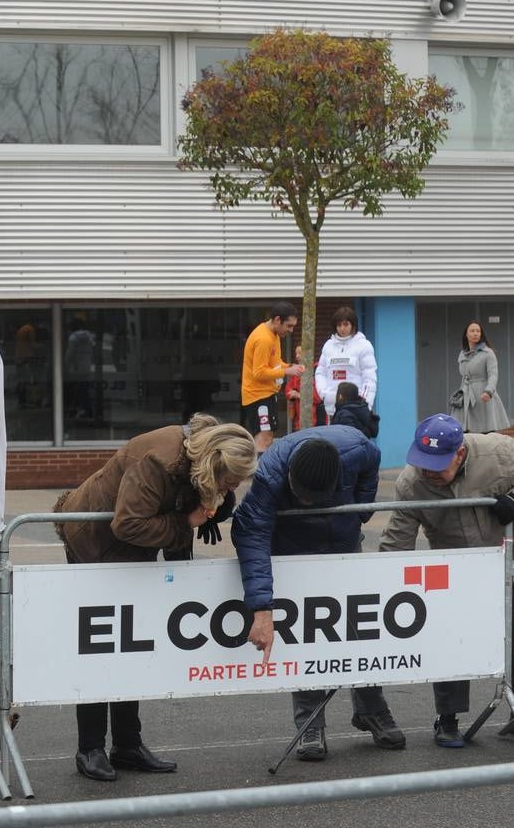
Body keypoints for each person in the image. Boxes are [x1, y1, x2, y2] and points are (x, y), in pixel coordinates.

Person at [55, 414, 257, 782]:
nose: (235, 486)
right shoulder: (157, 462)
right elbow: (128, 523)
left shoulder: (203, 452)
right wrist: (186, 524)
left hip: (133, 548)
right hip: (94, 543)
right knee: (101, 647)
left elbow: (186, 503)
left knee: (131, 645)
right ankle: (90, 748)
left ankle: (128, 744)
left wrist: (217, 504)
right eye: (229, 480)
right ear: (213, 464)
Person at [231, 427, 406, 761]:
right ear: (291, 478)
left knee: (361, 630)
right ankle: (310, 723)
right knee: (309, 635)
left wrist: (360, 510)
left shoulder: (357, 449)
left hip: (343, 546)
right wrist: (261, 608)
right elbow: (252, 536)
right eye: (302, 496)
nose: (308, 502)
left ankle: (372, 708)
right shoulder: (270, 475)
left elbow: (373, 465)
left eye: (315, 497)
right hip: (295, 550)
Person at [380, 412, 514, 747]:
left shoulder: (499, 453)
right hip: (453, 568)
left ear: (459, 453)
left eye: (437, 464)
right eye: (423, 461)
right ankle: (448, 720)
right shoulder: (411, 483)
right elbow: (397, 539)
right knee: (453, 640)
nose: (428, 471)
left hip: (502, 560)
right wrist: (382, 584)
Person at [241, 302, 304, 451]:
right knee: (264, 438)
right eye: (289, 326)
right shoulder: (263, 339)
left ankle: (261, 469)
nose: (291, 330)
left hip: (266, 395)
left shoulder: (274, 334)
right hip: (258, 396)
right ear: (277, 320)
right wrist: (286, 372)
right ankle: (259, 472)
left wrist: (290, 366)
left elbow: (275, 363)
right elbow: (259, 372)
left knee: (267, 437)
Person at [314, 306, 377, 421]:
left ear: (353, 325)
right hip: (332, 408)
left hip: (355, 409)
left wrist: (365, 403)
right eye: (339, 325)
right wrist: (324, 393)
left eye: (346, 324)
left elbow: (369, 377)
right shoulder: (328, 346)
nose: (342, 328)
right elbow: (320, 372)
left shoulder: (364, 345)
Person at [456, 321, 510, 433]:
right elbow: (465, 376)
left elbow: (493, 374)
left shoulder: (488, 353)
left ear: (481, 334)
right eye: (472, 331)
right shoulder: (462, 354)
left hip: (483, 395)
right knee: (464, 430)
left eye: (478, 331)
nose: (476, 333)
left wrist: (488, 391)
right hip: (466, 394)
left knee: (486, 430)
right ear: (466, 334)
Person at [284, 345, 325, 432]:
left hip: (316, 419)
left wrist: (298, 395)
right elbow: (288, 391)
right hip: (300, 419)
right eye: (296, 353)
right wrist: (292, 394)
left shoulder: (315, 371)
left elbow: (317, 398)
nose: (297, 356)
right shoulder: (297, 373)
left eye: (300, 353)